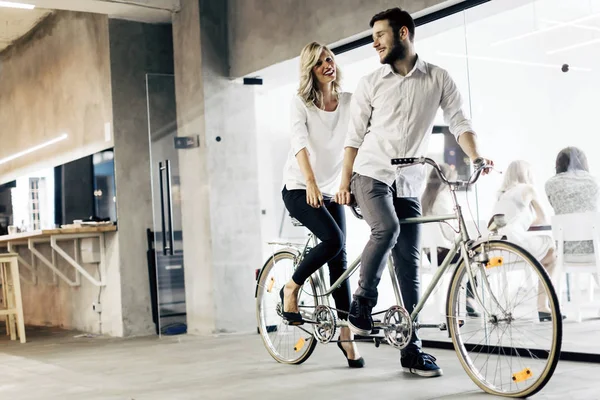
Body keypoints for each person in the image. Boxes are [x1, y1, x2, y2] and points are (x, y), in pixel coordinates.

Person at [335, 8, 492, 377]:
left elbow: (459, 120)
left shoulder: (438, 78)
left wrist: (477, 155)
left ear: (403, 33)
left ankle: (412, 350)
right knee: (386, 229)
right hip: (370, 173)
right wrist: (344, 183)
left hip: (409, 181)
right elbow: (354, 138)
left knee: (410, 266)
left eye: (379, 35)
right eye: (372, 36)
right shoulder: (371, 82)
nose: (374, 42)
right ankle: (362, 301)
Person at [280, 42, 363, 368]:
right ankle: (291, 288)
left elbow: (358, 140)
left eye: (329, 59)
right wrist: (312, 182)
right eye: (319, 63)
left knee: (339, 260)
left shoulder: (349, 101)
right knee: (334, 240)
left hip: (329, 190)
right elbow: (299, 142)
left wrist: (350, 183)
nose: (327, 65)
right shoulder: (300, 103)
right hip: (299, 188)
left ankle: (346, 334)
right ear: (310, 70)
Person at [491, 160, 561, 322]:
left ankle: (543, 306)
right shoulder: (528, 189)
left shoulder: (501, 195)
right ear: (527, 174)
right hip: (515, 245)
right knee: (552, 251)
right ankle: (543, 306)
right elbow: (542, 218)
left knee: (546, 256)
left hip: (497, 251)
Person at [421, 164, 479, 317]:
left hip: (431, 254)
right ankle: (468, 299)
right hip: (443, 254)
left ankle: (466, 298)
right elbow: (451, 232)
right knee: (473, 256)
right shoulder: (442, 199)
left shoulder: (425, 199)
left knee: (469, 256)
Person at [545, 147, 600, 262]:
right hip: (595, 249)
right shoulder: (593, 182)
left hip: (565, 252)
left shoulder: (550, 184)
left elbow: (555, 205)